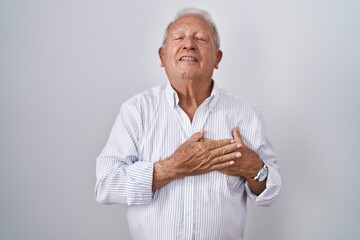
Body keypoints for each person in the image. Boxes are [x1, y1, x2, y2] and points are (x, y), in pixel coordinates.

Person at [95, 8, 282, 240]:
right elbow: (105, 185)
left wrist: (254, 169)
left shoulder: (246, 114)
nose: (189, 44)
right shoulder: (136, 111)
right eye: (178, 37)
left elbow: (271, 190)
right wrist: (172, 167)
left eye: (201, 39)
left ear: (217, 58)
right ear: (162, 56)